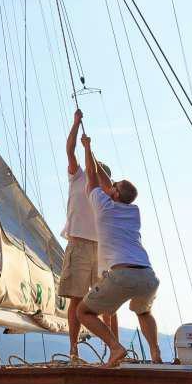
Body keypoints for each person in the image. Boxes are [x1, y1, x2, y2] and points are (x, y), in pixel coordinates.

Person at [78, 130, 164, 367]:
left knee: (83, 312)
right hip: (148, 276)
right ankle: (156, 353)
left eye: (114, 186)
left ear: (115, 194)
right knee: (144, 312)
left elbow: (93, 177)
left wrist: (86, 148)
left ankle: (115, 348)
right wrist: (92, 155)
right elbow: (107, 182)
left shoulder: (103, 205)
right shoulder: (133, 211)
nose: (111, 184)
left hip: (122, 273)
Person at [59, 109, 106, 364]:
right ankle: (73, 350)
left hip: (101, 247)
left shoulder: (105, 190)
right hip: (77, 242)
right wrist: (76, 123)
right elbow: (70, 150)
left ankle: (113, 350)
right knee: (76, 299)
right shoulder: (77, 176)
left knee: (107, 301)